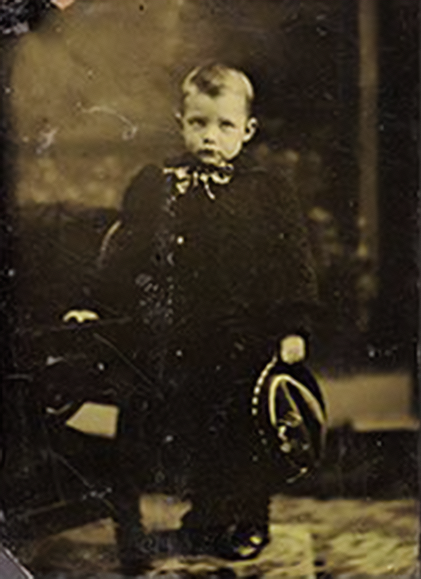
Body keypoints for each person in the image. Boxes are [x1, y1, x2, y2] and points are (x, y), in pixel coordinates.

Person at [65, 63, 321, 571]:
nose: (210, 136)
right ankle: (204, 516)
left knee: (245, 429)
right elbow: (126, 255)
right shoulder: (158, 183)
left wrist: (294, 326)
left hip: (247, 337)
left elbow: (293, 262)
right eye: (199, 123)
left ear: (246, 130)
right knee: (192, 428)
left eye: (224, 125)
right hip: (178, 334)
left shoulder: (268, 191)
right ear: (181, 122)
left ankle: (247, 518)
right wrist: (97, 302)